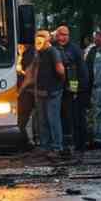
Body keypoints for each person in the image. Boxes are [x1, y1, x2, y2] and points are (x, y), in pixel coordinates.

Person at [33, 29, 68, 161]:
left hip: (52, 91)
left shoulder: (52, 52)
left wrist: (60, 83)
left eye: (41, 38)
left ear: (47, 40)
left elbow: (60, 69)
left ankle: (56, 147)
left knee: (52, 120)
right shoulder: (40, 53)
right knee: (45, 120)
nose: (38, 40)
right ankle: (46, 147)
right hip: (43, 91)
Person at [54, 26, 89, 154]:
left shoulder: (75, 50)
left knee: (77, 118)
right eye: (61, 35)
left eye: (66, 35)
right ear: (56, 35)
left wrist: (78, 90)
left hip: (74, 91)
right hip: (59, 90)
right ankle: (66, 144)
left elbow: (82, 71)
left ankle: (80, 144)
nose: (63, 37)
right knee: (63, 119)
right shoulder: (53, 48)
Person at [16, 41, 38, 150]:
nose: (19, 47)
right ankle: (29, 140)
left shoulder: (30, 55)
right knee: (27, 118)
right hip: (27, 90)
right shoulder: (24, 54)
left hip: (28, 91)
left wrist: (19, 92)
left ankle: (27, 142)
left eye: (20, 45)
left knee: (25, 118)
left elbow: (29, 77)